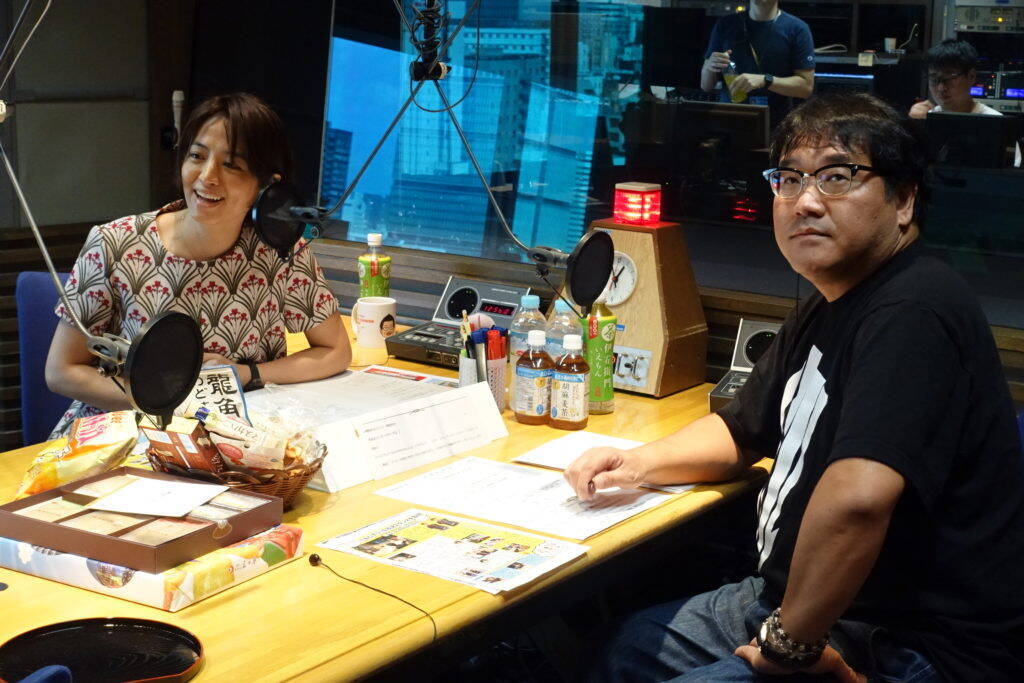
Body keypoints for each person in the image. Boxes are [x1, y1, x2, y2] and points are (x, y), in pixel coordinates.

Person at [565, 92, 1024, 681]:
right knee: (625, 649)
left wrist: (791, 645)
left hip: (897, 638)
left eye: (837, 177)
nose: (805, 201)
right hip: (790, 599)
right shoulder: (830, 299)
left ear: (904, 200)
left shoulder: (914, 310)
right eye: (788, 179)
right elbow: (740, 429)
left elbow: (858, 502)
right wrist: (636, 463)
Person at [45, 93, 352, 437]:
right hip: (124, 433)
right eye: (197, 156)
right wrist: (166, 401)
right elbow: (61, 371)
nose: (207, 176)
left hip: (236, 436)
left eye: (231, 164)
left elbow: (335, 350)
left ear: (266, 186)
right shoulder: (116, 242)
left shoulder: (280, 251)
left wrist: (249, 374)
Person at [908, 38, 1020, 167]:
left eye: (949, 77)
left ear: (971, 77)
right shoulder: (924, 119)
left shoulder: (996, 124)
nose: (941, 87)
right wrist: (912, 126)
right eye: (934, 78)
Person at [700, 0, 815, 125]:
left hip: (776, 123)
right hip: (730, 119)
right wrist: (710, 67)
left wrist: (766, 80)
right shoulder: (725, 24)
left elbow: (806, 88)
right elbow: (706, 85)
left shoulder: (797, 28)